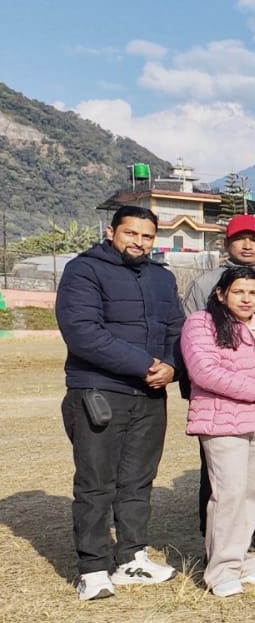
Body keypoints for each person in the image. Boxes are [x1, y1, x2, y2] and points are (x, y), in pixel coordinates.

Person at [56, 205, 184, 600]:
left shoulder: (162, 278)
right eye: (131, 233)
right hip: (99, 391)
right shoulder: (84, 270)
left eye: (147, 236)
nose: (139, 242)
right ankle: (93, 569)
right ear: (111, 231)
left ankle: (132, 557)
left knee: (137, 481)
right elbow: (83, 332)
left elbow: (177, 330)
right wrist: (145, 365)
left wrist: (173, 367)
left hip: (150, 395)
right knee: (96, 483)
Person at [181, 214, 255, 556]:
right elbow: (195, 352)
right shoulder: (204, 285)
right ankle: (217, 544)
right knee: (222, 477)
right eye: (240, 238)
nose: (248, 245)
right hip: (224, 404)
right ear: (227, 243)